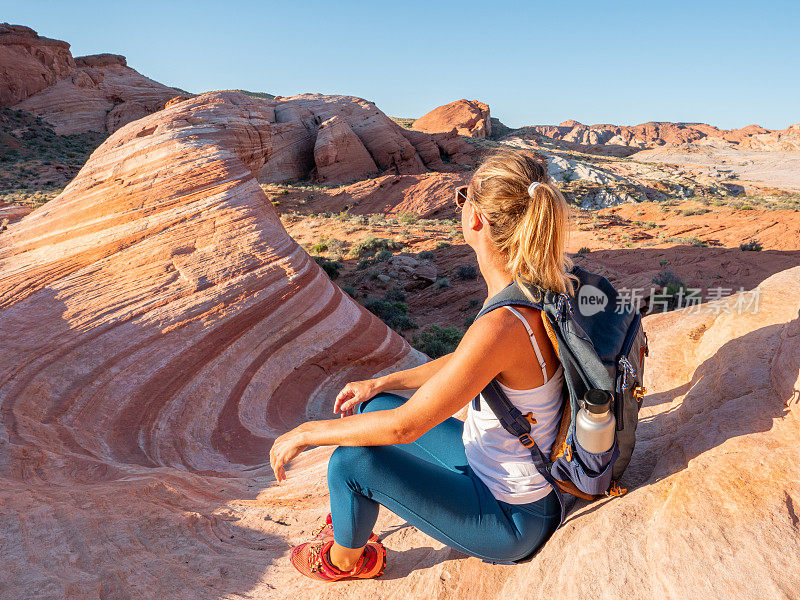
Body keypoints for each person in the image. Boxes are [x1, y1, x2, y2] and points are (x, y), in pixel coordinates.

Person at [270, 147, 577, 581]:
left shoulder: (504, 324)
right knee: (369, 408)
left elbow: (405, 429)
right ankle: (353, 514)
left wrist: (306, 434)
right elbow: (468, 361)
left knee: (349, 464)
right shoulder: (537, 290)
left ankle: (348, 560)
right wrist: (381, 383)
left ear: (477, 220)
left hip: (512, 516)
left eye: (461, 197)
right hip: (494, 468)